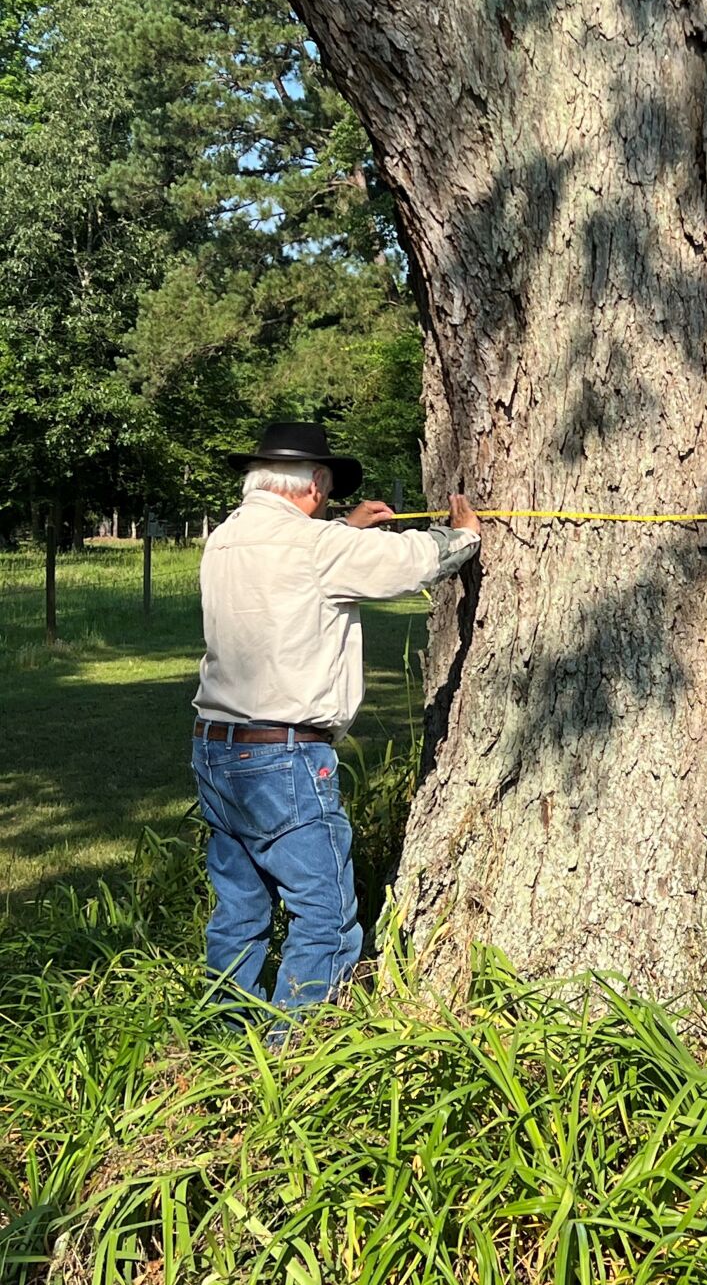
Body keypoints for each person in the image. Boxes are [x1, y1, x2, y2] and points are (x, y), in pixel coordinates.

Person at [191, 422, 480, 1038]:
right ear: (316, 484)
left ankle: (221, 1045)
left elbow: (292, 566)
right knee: (323, 912)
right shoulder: (318, 548)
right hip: (283, 757)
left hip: (215, 749)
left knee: (239, 907)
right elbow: (417, 562)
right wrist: (461, 534)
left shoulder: (224, 539)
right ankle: (295, 1056)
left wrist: (343, 530)